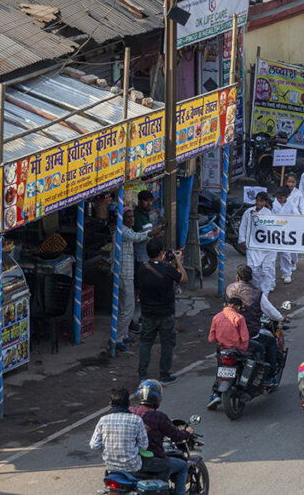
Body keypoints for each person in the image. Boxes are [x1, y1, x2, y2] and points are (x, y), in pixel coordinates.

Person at [136, 239, 187, 385]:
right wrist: (179, 262)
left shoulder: (142, 268)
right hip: (166, 313)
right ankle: (164, 375)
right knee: (167, 344)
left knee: (146, 343)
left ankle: (143, 376)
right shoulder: (168, 269)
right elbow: (184, 279)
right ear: (161, 252)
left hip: (147, 313)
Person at [130, 380, 192, 495]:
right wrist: (187, 433)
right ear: (157, 398)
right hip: (148, 462)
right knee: (183, 466)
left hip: (129, 460)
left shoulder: (130, 411)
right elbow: (176, 436)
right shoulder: (159, 417)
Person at [89, 388, 164, 478]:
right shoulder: (136, 420)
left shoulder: (103, 420)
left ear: (111, 403)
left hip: (111, 467)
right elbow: (144, 445)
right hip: (133, 467)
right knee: (166, 465)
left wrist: (108, 447)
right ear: (128, 403)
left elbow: (94, 445)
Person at [119, 209, 164, 350]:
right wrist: (156, 230)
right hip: (123, 273)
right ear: (123, 219)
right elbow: (139, 237)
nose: (131, 219)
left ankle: (124, 335)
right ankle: (118, 338)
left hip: (127, 272)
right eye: (128, 217)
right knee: (127, 307)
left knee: (125, 307)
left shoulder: (128, 230)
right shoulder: (122, 231)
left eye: (132, 216)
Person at [238, 191, 278, 293]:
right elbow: (243, 226)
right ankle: (255, 289)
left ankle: (265, 293)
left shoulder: (268, 214)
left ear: (265, 202)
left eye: (261, 201)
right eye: (257, 200)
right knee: (253, 268)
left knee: (266, 270)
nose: (258, 203)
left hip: (265, 247)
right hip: (252, 245)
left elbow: (271, 229)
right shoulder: (248, 212)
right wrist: (242, 240)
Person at [272, 186, 299, 285]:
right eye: (277, 197)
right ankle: (274, 277)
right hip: (275, 232)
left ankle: (287, 273)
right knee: (275, 255)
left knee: (285, 254)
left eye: (281, 197)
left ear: (286, 196)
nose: (279, 199)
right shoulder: (274, 204)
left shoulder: (291, 205)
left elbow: (296, 216)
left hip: (287, 232)